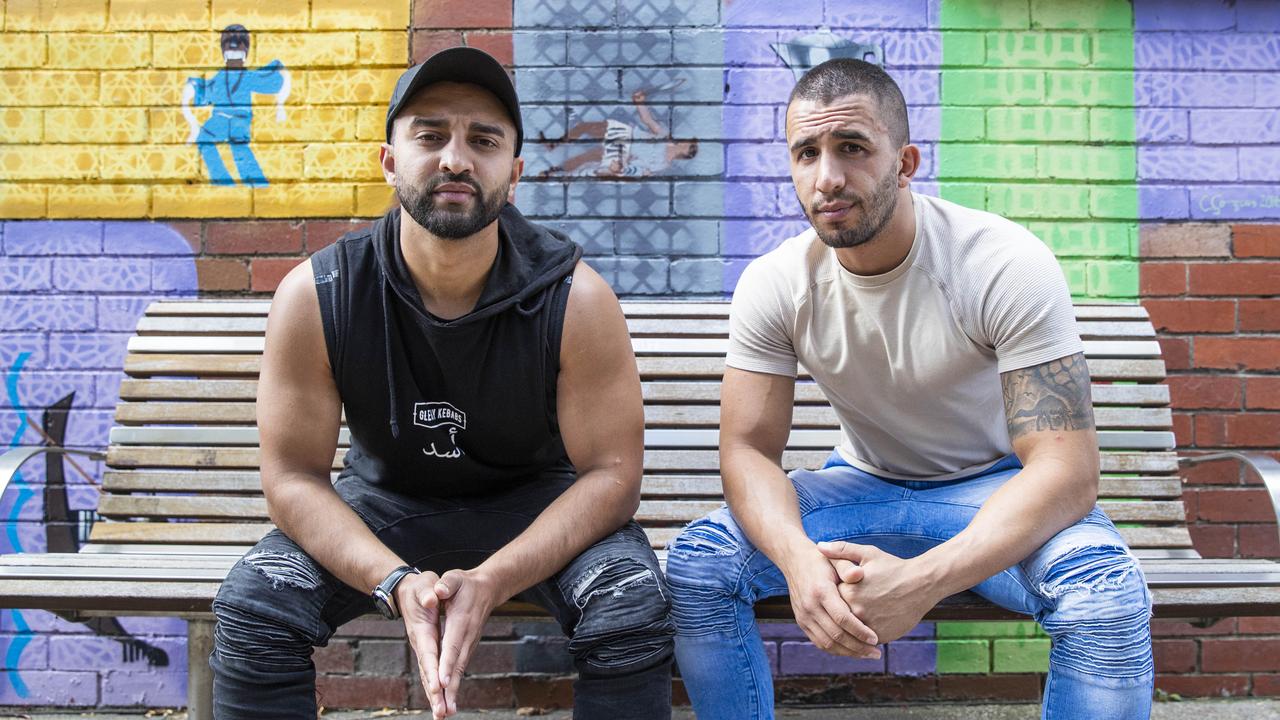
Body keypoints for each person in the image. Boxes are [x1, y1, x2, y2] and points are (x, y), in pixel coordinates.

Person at [666, 58, 1154, 719]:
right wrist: (797, 560)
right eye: (806, 153)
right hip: (860, 486)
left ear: (906, 161)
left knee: (1104, 590)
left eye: (852, 149)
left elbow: (1066, 472)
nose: (827, 177)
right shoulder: (775, 282)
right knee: (700, 563)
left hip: (995, 491)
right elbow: (747, 450)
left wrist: (920, 583)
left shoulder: (1002, 264)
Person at [208, 47, 674, 720]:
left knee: (631, 611)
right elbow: (291, 479)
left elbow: (611, 476)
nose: (455, 159)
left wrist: (494, 579)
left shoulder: (574, 297)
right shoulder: (320, 294)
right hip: (386, 504)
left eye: (482, 141)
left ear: (513, 175)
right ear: (390, 160)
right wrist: (392, 580)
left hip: (536, 505)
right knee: (255, 611)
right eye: (430, 136)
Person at [182, 24, 290, 186]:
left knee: (239, 149)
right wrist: (192, 90)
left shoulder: (247, 77)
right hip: (222, 120)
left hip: (238, 121)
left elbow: (277, 75)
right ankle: (225, 182)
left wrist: (280, 105)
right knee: (206, 140)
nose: (233, 48)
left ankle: (255, 185)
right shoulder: (222, 77)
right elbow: (205, 89)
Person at [542, 88, 698, 177]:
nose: (684, 141)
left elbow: (640, 170)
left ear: (686, 152)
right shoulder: (665, 137)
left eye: (688, 144)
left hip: (620, 154)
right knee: (585, 127)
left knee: (585, 158)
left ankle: (554, 170)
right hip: (624, 134)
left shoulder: (662, 165)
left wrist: (620, 168)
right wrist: (640, 102)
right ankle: (555, 143)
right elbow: (648, 120)